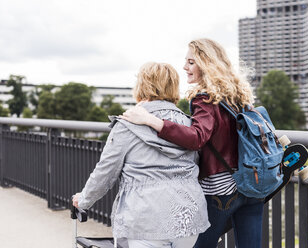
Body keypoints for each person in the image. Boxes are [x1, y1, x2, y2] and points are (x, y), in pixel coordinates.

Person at [121, 38, 263, 248]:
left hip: (221, 190)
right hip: (252, 185)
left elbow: (196, 138)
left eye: (190, 62)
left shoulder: (204, 98)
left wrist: (152, 121)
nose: (184, 67)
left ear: (206, 65)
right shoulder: (238, 95)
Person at [72, 62, 210, 248]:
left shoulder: (128, 124)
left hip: (146, 217)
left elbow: (106, 171)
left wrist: (84, 200)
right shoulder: (188, 124)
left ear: (142, 85)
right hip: (187, 217)